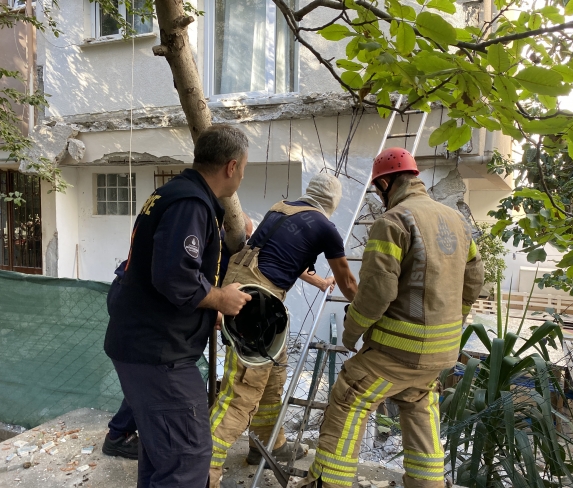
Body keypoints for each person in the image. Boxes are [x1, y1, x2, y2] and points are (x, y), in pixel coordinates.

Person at [298, 148, 484, 488]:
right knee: (417, 401)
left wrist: (351, 332)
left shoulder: (393, 221)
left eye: (376, 189)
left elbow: (376, 293)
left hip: (398, 352)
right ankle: (427, 483)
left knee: (349, 394)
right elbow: (474, 280)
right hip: (440, 354)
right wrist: (453, 319)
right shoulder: (458, 221)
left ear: (385, 183)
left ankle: (327, 483)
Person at [103, 124, 253, 487]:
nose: (242, 176)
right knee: (187, 460)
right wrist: (221, 297)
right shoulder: (190, 202)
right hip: (160, 355)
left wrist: (206, 308)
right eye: (245, 169)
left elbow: (170, 274)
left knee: (161, 456)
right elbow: (174, 277)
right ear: (231, 167)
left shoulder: (171, 193)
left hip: (143, 344)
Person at [208, 173, 359, 488]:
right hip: (258, 304)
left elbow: (279, 253)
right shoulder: (326, 227)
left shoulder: (281, 208)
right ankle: (203, 468)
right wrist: (368, 312)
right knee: (242, 393)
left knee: (274, 377)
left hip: (245, 291)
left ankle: (269, 444)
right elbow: (348, 282)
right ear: (333, 202)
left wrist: (318, 281)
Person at [101, 213, 255, 461]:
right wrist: (216, 309)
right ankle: (119, 435)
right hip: (143, 312)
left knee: (147, 378)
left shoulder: (212, 243)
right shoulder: (213, 246)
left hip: (132, 301)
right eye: (244, 236)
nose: (244, 242)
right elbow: (185, 288)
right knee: (154, 374)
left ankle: (121, 434)